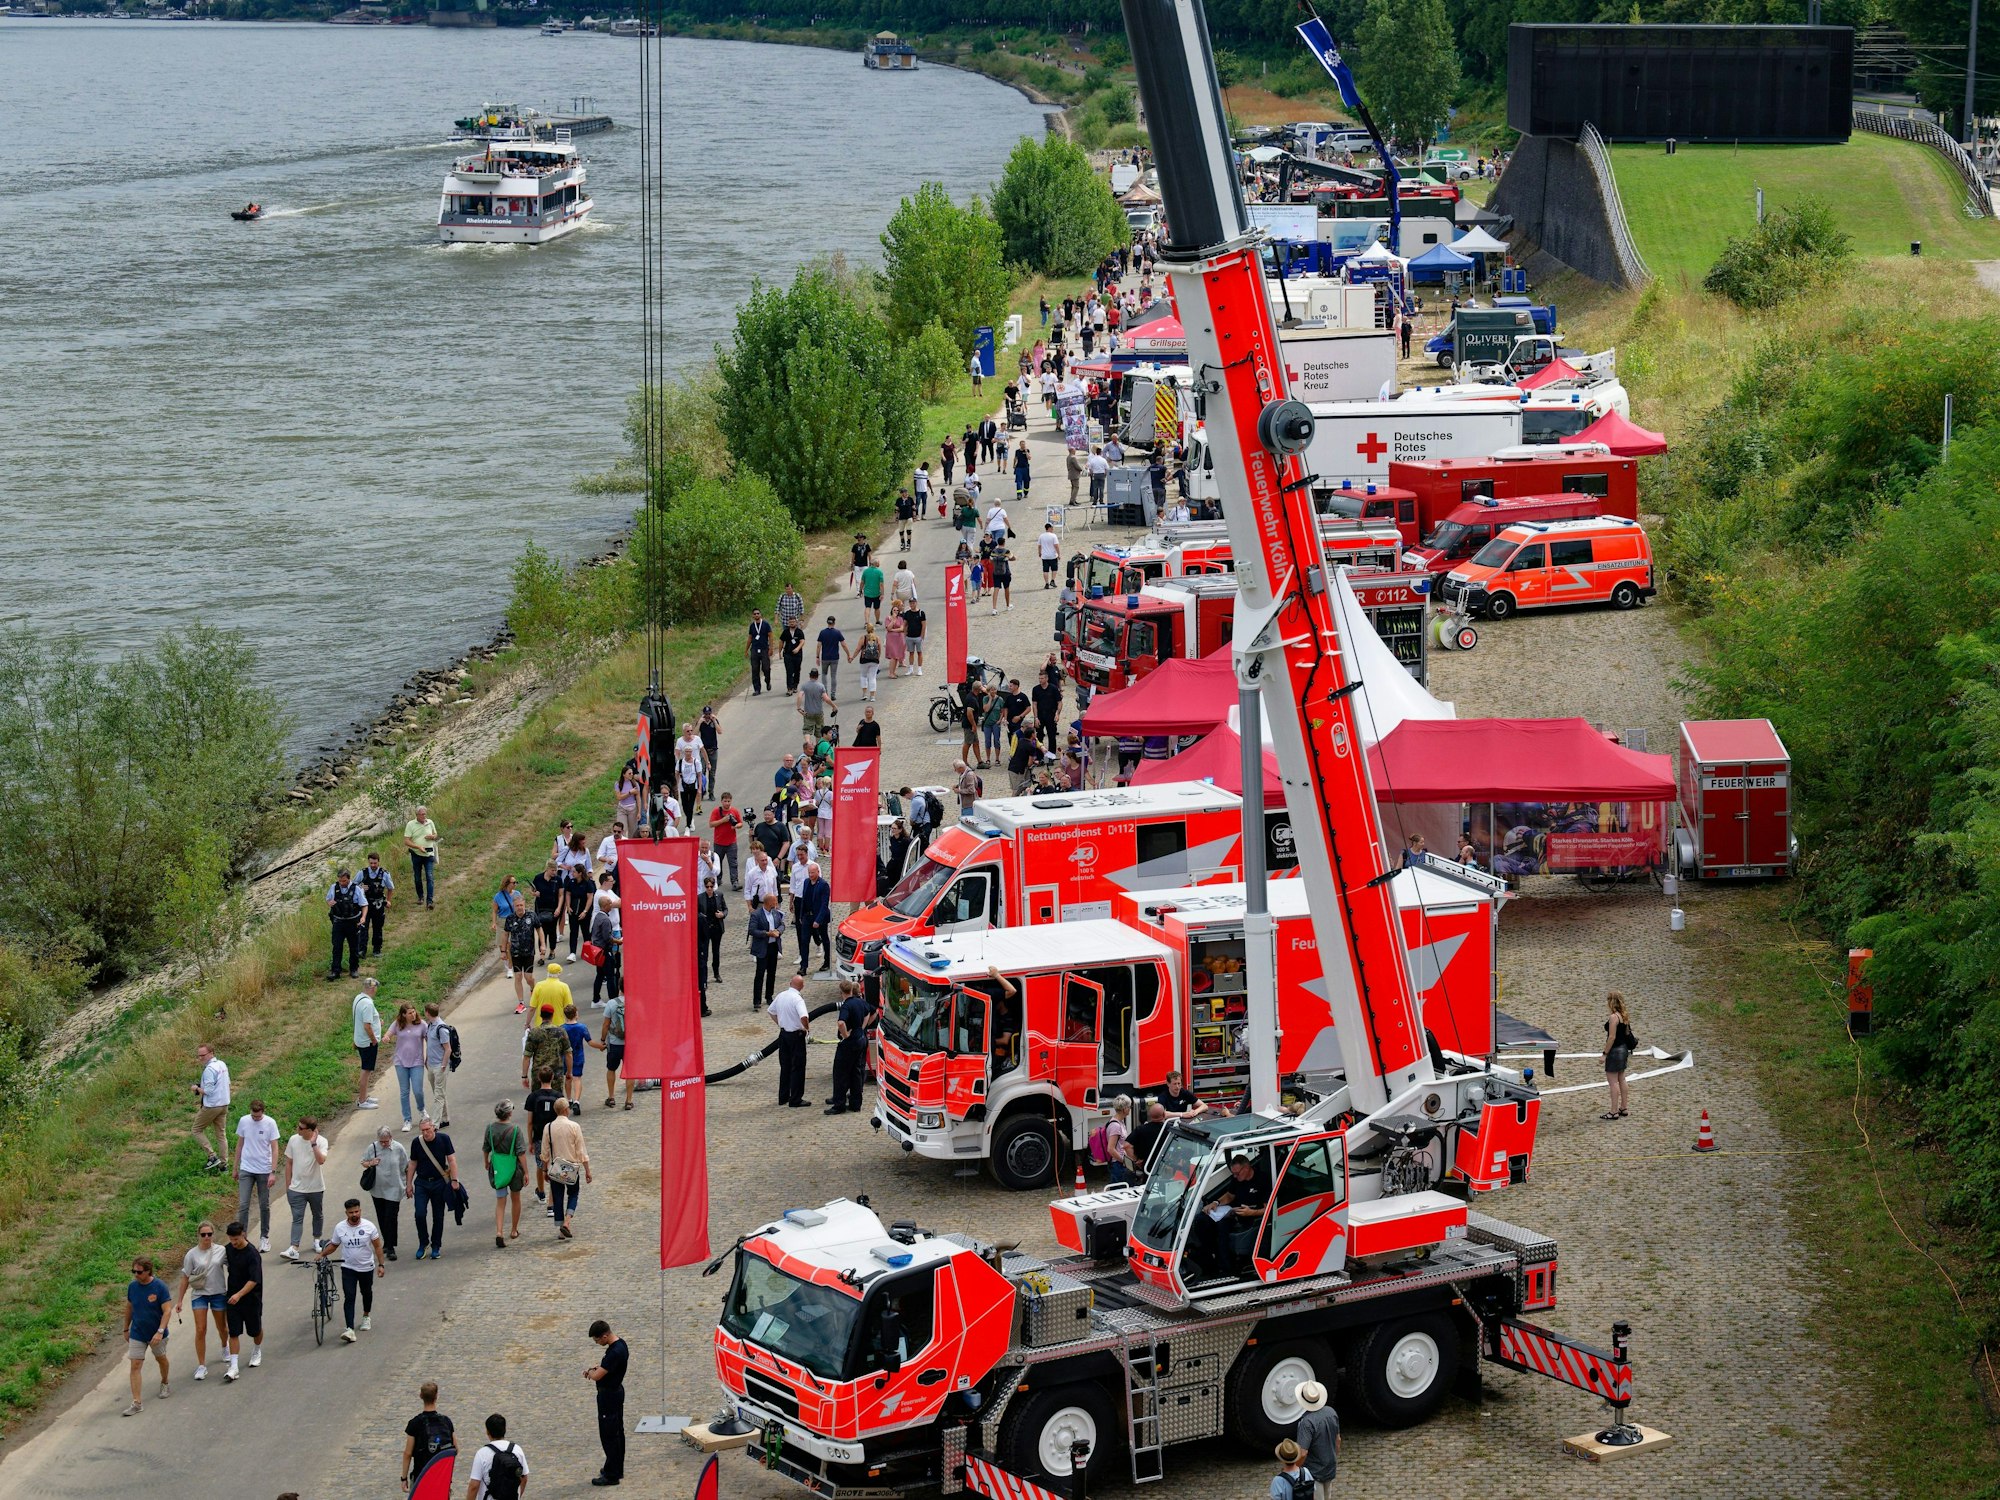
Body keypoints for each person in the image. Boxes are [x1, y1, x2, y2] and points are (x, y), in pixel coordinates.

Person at [1191, 1152, 1270, 1278]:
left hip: (1252, 1217)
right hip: (1234, 1212)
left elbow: (1268, 1209)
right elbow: (1230, 1195)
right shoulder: (1237, 1179)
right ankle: (1208, 1258)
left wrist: (1251, 1212)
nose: (1235, 1176)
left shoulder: (1263, 1180)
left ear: (1247, 1168)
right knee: (1202, 1220)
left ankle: (1226, 1269)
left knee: (1222, 1229)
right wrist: (1215, 1203)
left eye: (1237, 1173)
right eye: (1233, 1173)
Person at [317, 1197, 386, 1342]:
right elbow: (334, 1245)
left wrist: (381, 1265)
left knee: (366, 1292)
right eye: (351, 1212)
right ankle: (349, 1328)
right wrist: (322, 1254)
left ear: (360, 1210)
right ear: (346, 1213)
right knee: (349, 1296)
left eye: (356, 1211)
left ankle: (366, 1316)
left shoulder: (369, 1227)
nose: (354, 1214)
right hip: (348, 1268)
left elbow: (378, 1246)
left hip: (366, 1267)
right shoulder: (340, 1228)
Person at [173, 1221, 227, 1381]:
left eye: (209, 1234)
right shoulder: (191, 1254)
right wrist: (180, 1301)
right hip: (199, 1294)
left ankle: (225, 1347)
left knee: (222, 1327)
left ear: (213, 1235)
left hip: (218, 1293)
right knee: (200, 1329)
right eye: (203, 1234)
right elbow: (185, 1278)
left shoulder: (221, 1250)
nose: (206, 1237)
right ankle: (202, 1365)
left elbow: (234, 1265)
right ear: (198, 1235)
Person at [120, 1256, 172, 1415]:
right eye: (133, 1271)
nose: (136, 1274)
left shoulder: (159, 1287)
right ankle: (137, 1403)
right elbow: (129, 1308)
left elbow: (167, 1311)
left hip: (157, 1333)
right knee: (135, 1365)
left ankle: (164, 1382)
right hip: (137, 1332)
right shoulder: (132, 1287)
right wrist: (125, 1329)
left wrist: (160, 1331)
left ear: (148, 1271)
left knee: (161, 1359)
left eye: (139, 1272)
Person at [586, 1319, 629, 1486]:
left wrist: (590, 1371)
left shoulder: (614, 1353)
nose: (597, 1343)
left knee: (609, 1435)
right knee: (617, 1432)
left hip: (608, 1397)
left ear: (604, 1336)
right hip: (616, 1392)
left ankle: (612, 1475)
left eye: (597, 1340)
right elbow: (608, 1368)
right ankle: (615, 1467)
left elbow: (597, 1376)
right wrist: (600, 1368)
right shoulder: (621, 1345)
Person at [541, 1099, 590, 1240]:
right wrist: (587, 1170)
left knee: (557, 1197)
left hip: (556, 1168)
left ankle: (561, 1228)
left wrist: (545, 1170)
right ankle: (567, 1221)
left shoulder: (548, 1127)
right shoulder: (574, 1126)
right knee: (573, 1194)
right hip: (571, 1168)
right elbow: (581, 1151)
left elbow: (545, 1153)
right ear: (565, 1110)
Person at [234, 1099, 280, 1251]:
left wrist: (272, 1172)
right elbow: (240, 1145)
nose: (256, 1119)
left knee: (264, 1204)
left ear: (263, 1112)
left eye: (258, 1117)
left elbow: (274, 1148)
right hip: (246, 1168)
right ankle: (242, 1236)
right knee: (243, 1205)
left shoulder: (270, 1123)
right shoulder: (244, 1121)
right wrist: (235, 1167)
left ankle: (264, 1237)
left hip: (264, 1170)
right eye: (254, 1116)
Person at [409, 1117, 458, 1261]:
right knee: (419, 1213)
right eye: (423, 1130)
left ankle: (436, 1245)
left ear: (434, 1128)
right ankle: (423, 1243)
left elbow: (451, 1160)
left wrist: (455, 1180)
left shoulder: (444, 1139)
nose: (425, 1133)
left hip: (439, 1183)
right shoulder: (416, 1143)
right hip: (422, 1183)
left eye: (428, 1129)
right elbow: (413, 1163)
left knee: (438, 1216)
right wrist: (408, 1184)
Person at [280, 1115, 328, 1262]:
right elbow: (289, 1163)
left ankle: (317, 1239)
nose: (298, 1129)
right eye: (298, 1126)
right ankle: (294, 1248)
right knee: (297, 1218)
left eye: (301, 1128)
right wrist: (288, 1186)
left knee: (317, 1214)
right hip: (296, 1188)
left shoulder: (322, 1141)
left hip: (315, 1187)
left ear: (310, 1130)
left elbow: (321, 1161)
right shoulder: (294, 1140)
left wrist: (313, 1144)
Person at [219, 1221, 262, 1380]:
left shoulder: (252, 1254)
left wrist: (239, 1294)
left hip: (251, 1297)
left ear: (243, 1234)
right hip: (232, 1298)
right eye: (231, 1239)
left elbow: (253, 1280)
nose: (233, 1243)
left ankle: (257, 1350)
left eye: (236, 1239)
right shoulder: (229, 1249)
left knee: (255, 1330)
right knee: (234, 1331)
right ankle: (234, 1366)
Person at [483, 1099, 528, 1248]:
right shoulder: (515, 1129)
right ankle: (514, 1230)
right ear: (509, 1113)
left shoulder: (490, 1128)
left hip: (498, 1168)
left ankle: (499, 1231)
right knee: (516, 1198)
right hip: (513, 1169)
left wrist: (486, 1162)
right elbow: (521, 1153)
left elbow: (486, 1148)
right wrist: (526, 1172)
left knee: (500, 1201)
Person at [362, 1124, 411, 1261]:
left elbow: (406, 1167)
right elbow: (363, 1162)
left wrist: (408, 1185)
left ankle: (390, 1247)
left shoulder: (399, 1148)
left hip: (395, 1188)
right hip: (378, 1189)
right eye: (381, 1141)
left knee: (391, 1217)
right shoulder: (372, 1147)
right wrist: (371, 1162)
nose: (383, 1144)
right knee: (382, 1217)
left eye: (386, 1141)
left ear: (391, 1138)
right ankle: (387, 1243)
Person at [826, 979, 870, 1115]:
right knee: (856, 1072)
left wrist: (845, 1035)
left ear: (841, 992)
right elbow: (868, 1012)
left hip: (850, 1043)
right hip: (861, 1040)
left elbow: (841, 1023)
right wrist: (861, 1028)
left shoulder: (846, 1005)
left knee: (841, 1074)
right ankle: (856, 1104)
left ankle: (839, 1104)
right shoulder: (860, 1002)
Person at [403, 1381, 456, 1493]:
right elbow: (455, 1449)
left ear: (421, 1396)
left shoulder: (415, 1423)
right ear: (436, 1396)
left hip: (421, 1476)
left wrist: (404, 1478)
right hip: (441, 1477)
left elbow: (407, 1453)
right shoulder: (446, 1422)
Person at [1292, 1381, 1341, 1499]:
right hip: (1330, 1467)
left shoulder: (1307, 1423)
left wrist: (1294, 1469)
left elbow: (1303, 1453)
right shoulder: (1331, 1412)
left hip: (1313, 1472)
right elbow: (1338, 1440)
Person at [466, 1413, 528, 1500]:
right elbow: (524, 1478)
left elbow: (474, 1486)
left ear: (488, 1432)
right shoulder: (517, 1449)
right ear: (505, 1429)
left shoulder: (482, 1453)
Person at [771, 972, 811, 1107]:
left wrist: (781, 1023)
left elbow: (771, 1011)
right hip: (796, 1036)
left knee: (785, 1066)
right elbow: (804, 1017)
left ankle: (783, 1097)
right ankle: (795, 1098)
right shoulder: (797, 999)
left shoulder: (781, 995)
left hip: (783, 1035)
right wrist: (806, 1029)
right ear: (802, 987)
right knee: (798, 1067)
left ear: (790, 983)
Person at [190, 1042, 231, 1171]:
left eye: (203, 1055)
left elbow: (208, 1091)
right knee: (221, 1134)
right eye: (199, 1055)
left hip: (212, 1105)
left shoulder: (209, 1069)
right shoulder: (222, 1064)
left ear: (211, 1053)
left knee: (196, 1130)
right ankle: (224, 1165)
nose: (200, 1058)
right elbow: (228, 1083)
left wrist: (196, 1088)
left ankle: (212, 1156)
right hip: (224, 1104)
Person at [389, 1003, 429, 1131]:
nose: (413, 1014)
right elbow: (389, 1033)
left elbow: (430, 1040)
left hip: (417, 1061)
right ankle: (407, 1119)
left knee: (417, 1090)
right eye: (410, 1013)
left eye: (414, 1012)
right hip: (400, 1062)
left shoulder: (422, 1024)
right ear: (403, 1015)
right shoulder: (397, 1024)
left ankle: (422, 1109)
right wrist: (386, 1037)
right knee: (404, 1092)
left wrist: (430, 1057)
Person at [328, 866, 368, 980]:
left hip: (353, 922)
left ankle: (354, 969)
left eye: (344, 881)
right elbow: (328, 899)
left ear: (349, 879)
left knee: (354, 946)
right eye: (340, 880)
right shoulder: (334, 887)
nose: (342, 883)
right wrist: (331, 904)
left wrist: (363, 917)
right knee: (337, 947)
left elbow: (364, 905)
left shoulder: (357, 889)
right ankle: (335, 971)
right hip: (338, 922)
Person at [748, 891, 785, 1011]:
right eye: (774, 902)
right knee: (759, 974)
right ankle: (757, 1001)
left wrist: (778, 931)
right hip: (762, 948)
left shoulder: (775, 913)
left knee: (772, 973)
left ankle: (769, 996)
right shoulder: (756, 915)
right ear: (768, 903)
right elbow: (752, 930)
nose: (776, 904)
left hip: (773, 947)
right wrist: (767, 933)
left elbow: (782, 924)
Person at [1602, 991, 1636, 1121]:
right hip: (1624, 1050)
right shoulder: (1624, 1016)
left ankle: (1613, 1111)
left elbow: (1611, 1037)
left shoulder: (1613, 1017)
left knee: (1613, 1082)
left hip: (1615, 1051)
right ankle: (1624, 1107)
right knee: (1621, 1078)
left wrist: (1604, 1054)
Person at [597, 986, 632, 1110]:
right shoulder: (635, 1001)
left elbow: (606, 1024)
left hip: (615, 1043)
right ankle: (628, 1100)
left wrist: (602, 1040)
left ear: (619, 987)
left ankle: (611, 1097)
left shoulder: (611, 1003)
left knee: (611, 1069)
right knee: (629, 1072)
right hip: (630, 1044)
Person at [796, 861, 832, 974]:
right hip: (807, 916)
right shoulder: (806, 882)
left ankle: (827, 962)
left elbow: (824, 905)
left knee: (825, 939)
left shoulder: (823, 885)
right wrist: (801, 915)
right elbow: (803, 900)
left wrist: (818, 920)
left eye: (813, 872)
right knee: (804, 941)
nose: (811, 875)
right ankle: (803, 966)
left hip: (819, 917)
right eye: (809, 872)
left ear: (818, 872)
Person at [353, 977, 383, 1109]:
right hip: (367, 1043)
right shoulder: (368, 1004)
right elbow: (367, 1026)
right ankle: (362, 1100)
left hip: (360, 1040)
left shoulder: (358, 998)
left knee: (367, 1069)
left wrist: (378, 1023)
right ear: (372, 988)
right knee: (366, 1070)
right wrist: (374, 1040)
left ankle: (364, 1096)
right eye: (375, 987)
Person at [404, 805, 439, 910]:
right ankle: (420, 896)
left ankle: (430, 901)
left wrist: (433, 837)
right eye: (422, 814)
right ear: (417, 815)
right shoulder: (411, 824)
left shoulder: (430, 822)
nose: (424, 816)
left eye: (425, 814)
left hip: (429, 854)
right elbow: (406, 841)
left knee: (430, 877)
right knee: (417, 878)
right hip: (416, 854)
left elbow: (435, 834)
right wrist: (418, 846)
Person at [1101, 1097, 1135, 1184]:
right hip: (1118, 1164)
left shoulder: (1120, 1122)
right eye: (1129, 1107)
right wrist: (1123, 1161)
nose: (1130, 1109)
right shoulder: (1115, 1126)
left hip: (1119, 1163)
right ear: (1124, 1109)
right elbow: (1111, 1149)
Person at [798, 668, 834, 743]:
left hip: (808, 712)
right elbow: (826, 699)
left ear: (810, 676)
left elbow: (800, 696)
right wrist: (834, 706)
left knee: (807, 730)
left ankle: (808, 744)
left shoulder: (805, 685)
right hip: (818, 712)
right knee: (819, 731)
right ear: (817, 676)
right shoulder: (821, 686)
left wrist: (799, 708)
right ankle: (817, 747)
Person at [816, 615, 845, 699]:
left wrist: (817, 656)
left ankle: (825, 693)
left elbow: (819, 646)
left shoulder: (822, 632)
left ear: (827, 622)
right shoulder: (837, 632)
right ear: (834, 623)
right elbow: (843, 644)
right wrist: (848, 654)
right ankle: (833, 694)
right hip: (834, 657)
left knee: (824, 674)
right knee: (833, 675)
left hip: (825, 657)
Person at [747, 607, 773, 695]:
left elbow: (770, 636)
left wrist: (771, 648)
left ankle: (767, 680)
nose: (756, 615)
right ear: (752, 615)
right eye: (754, 614)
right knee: (755, 669)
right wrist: (746, 650)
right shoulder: (752, 626)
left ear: (760, 614)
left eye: (758, 613)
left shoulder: (766, 624)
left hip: (764, 649)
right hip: (754, 649)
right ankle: (757, 689)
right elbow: (750, 638)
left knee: (766, 668)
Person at [853, 624, 882, 702]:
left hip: (864, 660)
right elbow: (879, 649)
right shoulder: (877, 638)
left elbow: (858, 649)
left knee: (863, 676)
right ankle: (872, 696)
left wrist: (852, 657)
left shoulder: (863, 638)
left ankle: (864, 694)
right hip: (874, 660)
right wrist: (878, 658)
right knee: (872, 677)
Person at [779, 614, 806, 694]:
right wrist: (779, 652)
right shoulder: (785, 632)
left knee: (797, 670)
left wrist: (798, 648)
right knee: (789, 671)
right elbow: (781, 641)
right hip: (788, 654)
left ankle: (795, 685)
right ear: (788, 623)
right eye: (790, 622)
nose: (792, 623)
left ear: (796, 622)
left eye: (793, 622)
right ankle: (789, 688)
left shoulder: (799, 632)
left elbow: (802, 641)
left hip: (797, 655)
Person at [860, 556, 885, 626]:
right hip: (876, 593)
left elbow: (862, 582)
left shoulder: (866, 571)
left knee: (867, 607)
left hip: (867, 593)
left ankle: (867, 622)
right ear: (876, 564)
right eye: (878, 562)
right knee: (877, 608)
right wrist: (882, 593)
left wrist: (860, 590)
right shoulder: (879, 572)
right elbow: (881, 584)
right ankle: (877, 621)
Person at [903, 601, 926, 675]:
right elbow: (905, 624)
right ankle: (911, 668)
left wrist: (922, 636)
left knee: (919, 652)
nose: (912, 604)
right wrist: (905, 633)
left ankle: (919, 669)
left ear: (916, 603)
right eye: (911, 603)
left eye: (913, 603)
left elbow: (924, 625)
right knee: (911, 653)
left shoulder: (921, 613)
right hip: (909, 636)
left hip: (918, 636)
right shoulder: (907, 613)